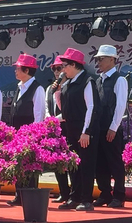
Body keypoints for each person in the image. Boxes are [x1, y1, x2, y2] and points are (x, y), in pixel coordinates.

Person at [56, 48, 98, 211]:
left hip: (84, 130)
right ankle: (74, 197)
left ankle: (86, 199)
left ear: (74, 65)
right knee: (73, 165)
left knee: (86, 165)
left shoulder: (87, 82)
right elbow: (66, 110)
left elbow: (91, 108)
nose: (63, 69)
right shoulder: (68, 84)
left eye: (65, 65)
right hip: (70, 129)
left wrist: (86, 131)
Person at [9, 53, 46, 206]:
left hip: (30, 135)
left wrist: (34, 136)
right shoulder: (19, 87)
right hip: (17, 134)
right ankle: (19, 194)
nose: (15, 71)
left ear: (27, 70)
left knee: (29, 166)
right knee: (18, 165)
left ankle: (29, 195)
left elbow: (39, 115)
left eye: (18, 68)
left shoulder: (37, 89)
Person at [93, 45, 127, 209]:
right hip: (98, 127)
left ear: (112, 59)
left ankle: (119, 195)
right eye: (98, 59)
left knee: (115, 162)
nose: (98, 62)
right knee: (100, 163)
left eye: (102, 59)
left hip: (111, 127)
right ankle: (105, 193)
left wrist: (113, 127)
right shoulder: (98, 80)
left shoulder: (119, 80)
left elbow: (120, 105)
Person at [46, 57, 70, 204]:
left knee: (70, 160)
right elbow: (46, 107)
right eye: (54, 69)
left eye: (59, 68)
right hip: (54, 128)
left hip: (68, 126)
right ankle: (63, 191)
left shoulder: (69, 87)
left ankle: (74, 193)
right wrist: (49, 120)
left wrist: (56, 119)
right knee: (57, 161)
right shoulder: (50, 88)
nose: (56, 72)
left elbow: (68, 110)